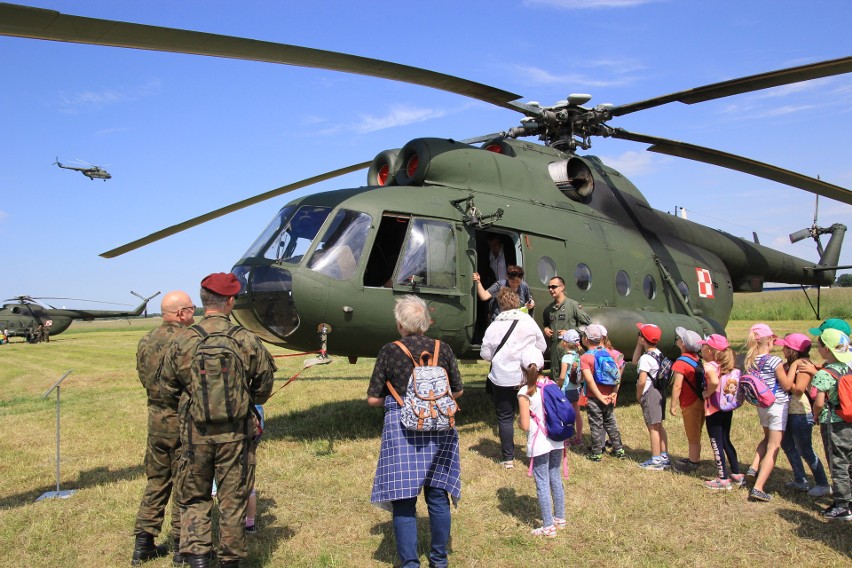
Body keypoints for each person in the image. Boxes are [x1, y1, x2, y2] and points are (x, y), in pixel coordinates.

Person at [161, 273, 277, 568]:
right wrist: (243, 398)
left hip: (195, 433)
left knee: (195, 497)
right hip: (236, 434)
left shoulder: (184, 339)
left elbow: (166, 387)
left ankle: (198, 558)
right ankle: (230, 561)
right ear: (230, 301)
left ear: (204, 302)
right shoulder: (245, 339)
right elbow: (263, 387)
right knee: (232, 499)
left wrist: (193, 400)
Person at [368, 295, 464, 568]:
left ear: (400, 324)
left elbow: (373, 398)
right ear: (426, 323)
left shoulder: (389, 350)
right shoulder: (441, 348)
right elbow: (457, 390)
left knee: (404, 498)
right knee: (437, 494)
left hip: (402, 428)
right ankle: (439, 560)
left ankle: (410, 564)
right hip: (439, 426)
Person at [131, 291, 196, 566]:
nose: (195, 313)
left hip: (156, 421)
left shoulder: (146, 339)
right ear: (181, 313)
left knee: (156, 482)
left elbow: (143, 376)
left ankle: (143, 544)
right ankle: (183, 547)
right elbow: (194, 383)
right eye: (192, 309)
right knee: (186, 485)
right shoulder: (188, 340)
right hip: (181, 422)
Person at [480, 287, 546, 468]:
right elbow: (542, 345)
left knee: (505, 418)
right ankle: (535, 453)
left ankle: (508, 458)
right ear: (517, 303)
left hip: (501, 378)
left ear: (500, 305)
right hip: (526, 376)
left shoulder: (494, 326)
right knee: (533, 415)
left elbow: (485, 354)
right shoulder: (529, 323)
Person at [800, 328, 852, 521]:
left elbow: (820, 402)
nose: (818, 348)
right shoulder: (848, 367)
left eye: (820, 345)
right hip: (849, 420)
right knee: (850, 462)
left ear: (827, 350)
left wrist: (815, 415)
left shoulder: (824, 374)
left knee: (838, 463)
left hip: (833, 424)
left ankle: (842, 505)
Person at [517, 347, 565, 537]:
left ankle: (547, 526)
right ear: (543, 366)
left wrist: (520, 421)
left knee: (542, 482)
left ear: (522, 368)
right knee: (555, 477)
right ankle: (559, 518)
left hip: (539, 442)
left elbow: (525, 425)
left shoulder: (525, 392)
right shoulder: (551, 384)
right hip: (556, 439)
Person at [776, 333, 831, 497]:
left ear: (792, 350)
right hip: (789, 412)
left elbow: (798, 389)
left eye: (785, 347)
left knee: (805, 450)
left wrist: (790, 370)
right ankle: (800, 479)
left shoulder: (803, 365)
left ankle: (822, 483)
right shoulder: (790, 364)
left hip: (801, 413)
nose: (782, 349)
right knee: (787, 445)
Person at [743, 323, 792, 503]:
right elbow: (786, 385)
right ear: (769, 340)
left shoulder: (750, 361)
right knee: (774, 446)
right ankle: (758, 488)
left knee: (766, 438)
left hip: (761, 406)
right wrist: (792, 370)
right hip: (777, 405)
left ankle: (753, 467)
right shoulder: (774, 361)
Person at [698, 334, 742, 490]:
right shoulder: (727, 366)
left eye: (703, 346)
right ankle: (736, 473)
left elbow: (714, 381)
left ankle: (722, 478)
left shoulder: (709, 365)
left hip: (714, 410)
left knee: (716, 443)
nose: (701, 349)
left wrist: (707, 393)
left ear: (710, 351)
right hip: (727, 408)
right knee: (726, 440)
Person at [580, 324, 624, 461]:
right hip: (609, 395)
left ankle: (597, 452)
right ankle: (619, 449)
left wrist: (599, 396)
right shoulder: (610, 353)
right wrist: (614, 393)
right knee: (611, 423)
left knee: (596, 424)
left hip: (594, 397)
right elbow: (617, 375)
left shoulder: (585, 358)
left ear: (586, 339)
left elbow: (589, 381)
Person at [632, 323, 670, 471]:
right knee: (659, 424)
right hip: (660, 392)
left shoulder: (646, 359)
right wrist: (639, 344)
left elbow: (642, 380)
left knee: (652, 427)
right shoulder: (657, 353)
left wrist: (638, 394)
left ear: (642, 338)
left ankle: (655, 460)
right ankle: (664, 456)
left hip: (650, 393)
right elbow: (635, 361)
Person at [669, 327, 705, 473]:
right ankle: (693, 456)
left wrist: (673, 404)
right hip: (701, 401)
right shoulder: (697, 359)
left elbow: (677, 386)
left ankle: (693, 463)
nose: (677, 340)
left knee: (692, 434)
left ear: (683, 344)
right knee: (697, 431)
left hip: (690, 402)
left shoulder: (680, 363)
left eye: (679, 339)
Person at [543, 276, 591, 377]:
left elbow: (587, 324)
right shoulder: (548, 309)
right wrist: (546, 328)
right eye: (549, 287)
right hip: (555, 352)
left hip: (570, 351)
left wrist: (570, 333)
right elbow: (546, 323)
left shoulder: (573, 305)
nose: (551, 290)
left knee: (571, 379)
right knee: (556, 378)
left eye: (554, 287)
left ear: (562, 287)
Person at [558, 329, 584, 446]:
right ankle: (578, 438)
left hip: (566, 390)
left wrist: (558, 386)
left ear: (565, 343)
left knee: (565, 414)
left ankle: (566, 439)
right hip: (577, 388)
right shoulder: (579, 356)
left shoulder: (565, 358)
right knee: (577, 413)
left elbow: (562, 376)